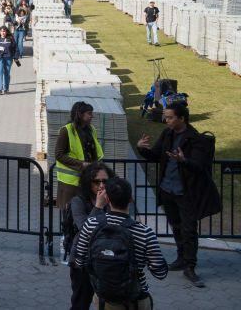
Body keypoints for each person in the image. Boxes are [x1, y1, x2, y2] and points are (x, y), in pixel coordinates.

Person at [136, 101, 221, 287]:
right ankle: (181, 257)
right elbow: (156, 156)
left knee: (189, 230)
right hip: (167, 190)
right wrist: (142, 149)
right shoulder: (168, 133)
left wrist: (183, 160)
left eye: (170, 117)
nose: (165, 120)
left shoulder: (195, 139)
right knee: (175, 225)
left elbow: (200, 166)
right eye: (165, 116)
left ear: (182, 118)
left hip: (186, 193)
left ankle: (190, 266)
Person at [73, 177, 167, 309]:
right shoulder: (145, 232)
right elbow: (160, 273)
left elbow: (79, 262)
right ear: (130, 199)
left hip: (103, 298)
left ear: (107, 199)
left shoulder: (91, 224)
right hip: (135, 299)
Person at [67, 162, 114, 309]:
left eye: (105, 181)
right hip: (83, 259)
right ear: (88, 182)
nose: (101, 186)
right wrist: (98, 206)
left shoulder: (112, 199)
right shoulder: (78, 201)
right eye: (96, 181)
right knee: (81, 301)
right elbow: (85, 228)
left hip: (107, 258)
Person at [55, 101, 105, 211]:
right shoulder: (66, 131)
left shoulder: (91, 129)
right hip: (70, 183)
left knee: (87, 212)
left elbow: (93, 151)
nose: (92, 116)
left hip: (88, 179)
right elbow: (59, 155)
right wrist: (81, 164)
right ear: (80, 114)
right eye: (89, 113)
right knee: (70, 214)